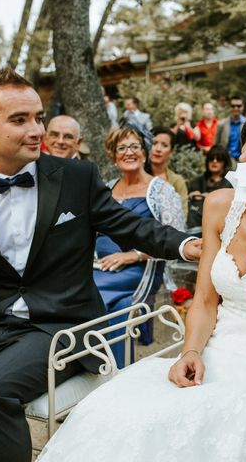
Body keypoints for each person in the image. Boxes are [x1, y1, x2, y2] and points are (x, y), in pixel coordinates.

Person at [0, 67, 201, 462]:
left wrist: (190, 245)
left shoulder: (75, 177)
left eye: (38, 117)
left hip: (64, 325)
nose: (37, 130)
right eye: (19, 120)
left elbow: (132, 228)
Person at [38, 92, 246, 461]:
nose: (243, 160)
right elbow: (204, 301)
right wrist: (191, 351)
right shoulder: (220, 205)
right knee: (115, 415)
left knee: (197, 429)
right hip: (217, 352)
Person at [94, 126, 185, 367]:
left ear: (144, 153)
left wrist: (132, 256)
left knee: (87, 294)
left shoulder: (162, 191)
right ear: (114, 156)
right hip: (101, 266)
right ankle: (103, 370)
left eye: (135, 146)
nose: (129, 152)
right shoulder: (107, 188)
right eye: (121, 148)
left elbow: (175, 239)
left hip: (139, 270)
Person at [186, 144, 233, 231]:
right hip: (195, 226)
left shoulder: (230, 183)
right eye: (211, 158)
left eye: (218, 159)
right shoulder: (197, 181)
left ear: (224, 162)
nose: (214, 161)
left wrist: (210, 197)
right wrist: (191, 195)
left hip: (220, 227)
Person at [150, 126, 188, 218]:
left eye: (164, 145)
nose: (158, 149)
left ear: (171, 152)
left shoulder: (177, 181)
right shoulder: (135, 176)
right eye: (154, 143)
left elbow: (183, 215)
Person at [215, 95, 246, 162]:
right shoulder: (221, 124)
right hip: (226, 160)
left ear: (243, 106)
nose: (236, 108)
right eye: (233, 106)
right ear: (229, 107)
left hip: (242, 160)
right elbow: (216, 145)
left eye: (238, 106)